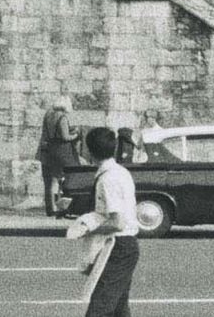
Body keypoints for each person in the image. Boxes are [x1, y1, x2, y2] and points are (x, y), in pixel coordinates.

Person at [82, 127, 139, 317]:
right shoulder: (120, 172)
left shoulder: (108, 179)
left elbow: (117, 222)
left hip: (117, 246)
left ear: (89, 150)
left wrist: (88, 228)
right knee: (118, 307)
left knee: (100, 307)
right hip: (126, 245)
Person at [36, 97, 79, 216]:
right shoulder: (62, 117)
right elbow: (65, 137)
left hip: (50, 149)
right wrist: (75, 135)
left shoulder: (48, 114)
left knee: (52, 181)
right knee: (70, 177)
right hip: (62, 150)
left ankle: (52, 209)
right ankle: (66, 207)